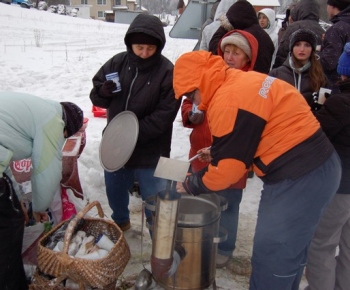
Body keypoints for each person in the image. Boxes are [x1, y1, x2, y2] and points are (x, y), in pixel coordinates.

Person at [173, 50, 341, 290]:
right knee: (290, 254)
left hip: (298, 179)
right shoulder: (244, 80)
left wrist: (192, 184)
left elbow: (227, 173)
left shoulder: (227, 100)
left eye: (192, 94)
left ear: (201, 81)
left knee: (272, 258)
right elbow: (259, 133)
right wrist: (221, 150)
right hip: (321, 166)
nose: (196, 102)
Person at [90, 14, 181, 232]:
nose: (144, 53)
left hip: (151, 149)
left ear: (158, 46)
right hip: (117, 146)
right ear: (130, 43)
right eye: (139, 47)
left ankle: (158, 236)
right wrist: (102, 91)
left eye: (150, 48)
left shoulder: (167, 72)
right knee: (115, 191)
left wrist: (132, 134)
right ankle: (121, 222)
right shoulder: (117, 63)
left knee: (155, 197)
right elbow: (96, 96)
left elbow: (164, 115)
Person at [182, 29, 257, 267]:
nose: (230, 57)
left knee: (229, 204)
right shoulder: (208, 73)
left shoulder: (252, 82)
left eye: (237, 53)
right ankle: (200, 241)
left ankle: (224, 246)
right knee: (200, 200)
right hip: (200, 151)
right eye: (227, 50)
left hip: (232, 157)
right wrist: (191, 113)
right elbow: (188, 99)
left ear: (247, 59)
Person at [0, 91, 84, 290]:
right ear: (66, 128)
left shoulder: (39, 109)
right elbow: (46, 170)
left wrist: (17, 197)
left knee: (11, 214)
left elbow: (4, 162)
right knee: (9, 228)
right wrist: (39, 208)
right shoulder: (53, 121)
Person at [304, 42, 350, 290]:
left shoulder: (340, 104)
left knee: (322, 244)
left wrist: (317, 108)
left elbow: (312, 133)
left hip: (341, 188)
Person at [208, 0, 274, 74]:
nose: (229, 58)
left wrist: (226, 24)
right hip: (262, 80)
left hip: (244, 79)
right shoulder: (264, 36)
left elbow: (215, 49)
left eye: (236, 53)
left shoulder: (244, 37)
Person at [269, 28, 328, 108]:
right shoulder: (276, 74)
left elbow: (323, 108)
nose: (302, 49)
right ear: (292, 48)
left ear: (312, 50)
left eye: (307, 45)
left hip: (309, 119)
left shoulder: (320, 77)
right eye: (297, 44)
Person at [273, 0, 325, 69]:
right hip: (314, 71)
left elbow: (283, 53)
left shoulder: (293, 27)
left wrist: (277, 70)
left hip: (292, 70)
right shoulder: (321, 30)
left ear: (299, 10)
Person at [317, 0, 350, 94]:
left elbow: (329, 61)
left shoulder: (337, 29)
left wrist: (317, 53)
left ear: (332, 7)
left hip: (337, 86)